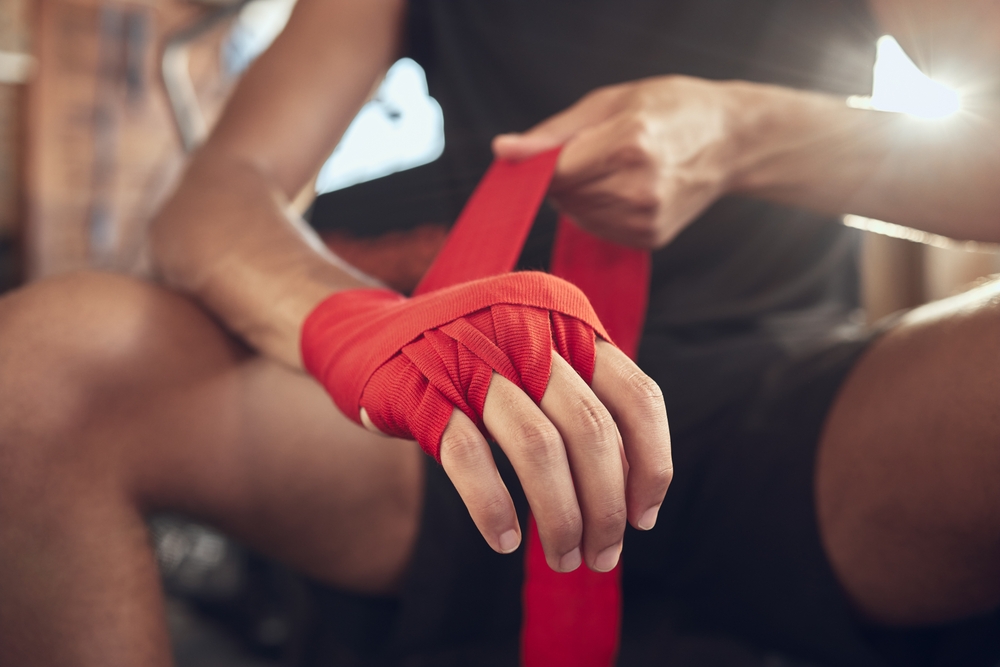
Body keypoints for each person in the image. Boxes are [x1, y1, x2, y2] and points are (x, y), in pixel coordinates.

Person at [1, 0, 999, 664]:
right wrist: (361, 330)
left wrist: (747, 135)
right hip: (472, 404)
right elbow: (216, 194)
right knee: (39, 368)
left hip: (803, 420)